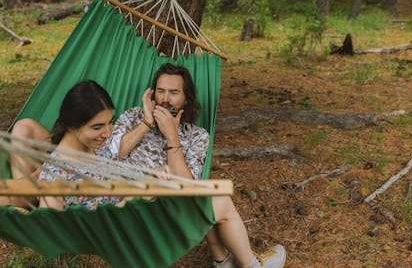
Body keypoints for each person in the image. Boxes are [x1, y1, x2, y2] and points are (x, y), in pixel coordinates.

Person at [111, 63, 286, 268]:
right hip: (128, 205)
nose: (165, 99)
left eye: (174, 93)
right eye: (160, 91)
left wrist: (172, 137)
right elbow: (117, 152)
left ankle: (225, 262)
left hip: (168, 208)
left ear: (186, 98)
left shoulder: (197, 136)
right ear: (152, 95)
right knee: (220, 199)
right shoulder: (132, 117)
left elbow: (188, 189)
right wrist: (146, 123)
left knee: (208, 197)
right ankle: (249, 265)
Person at [37, 80, 123, 209]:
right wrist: (131, 199)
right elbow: (52, 227)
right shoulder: (55, 177)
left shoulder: (97, 148)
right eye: (97, 127)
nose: (108, 134)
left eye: (110, 122)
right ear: (72, 126)